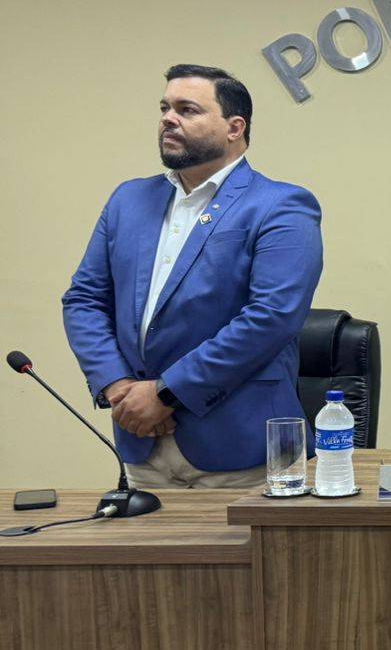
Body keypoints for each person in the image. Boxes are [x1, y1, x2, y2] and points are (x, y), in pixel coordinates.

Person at [62, 64, 323, 489]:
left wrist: (167, 393)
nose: (168, 118)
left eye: (187, 109)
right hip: (142, 440)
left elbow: (272, 317)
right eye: (165, 107)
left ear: (234, 127)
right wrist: (118, 386)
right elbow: (84, 299)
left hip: (243, 450)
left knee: (250, 560)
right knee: (147, 558)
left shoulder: (281, 205)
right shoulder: (129, 200)